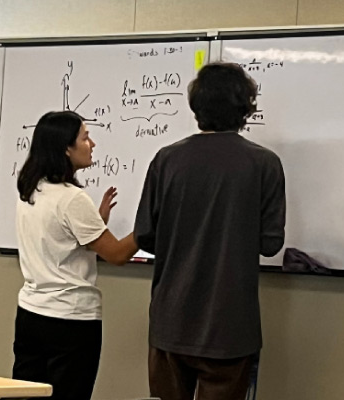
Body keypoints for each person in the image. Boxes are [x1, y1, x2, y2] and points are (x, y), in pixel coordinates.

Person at [134, 62, 286, 400]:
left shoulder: (166, 160)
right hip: (230, 326)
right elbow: (270, 243)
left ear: (196, 107)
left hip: (170, 320)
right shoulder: (265, 164)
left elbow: (145, 236)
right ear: (246, 108)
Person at [13, 110, 138, 400]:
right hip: (70, 323)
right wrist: (151, 224)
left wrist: (97, 221)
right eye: (85, 137)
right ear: (65, 148)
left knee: (27, 395)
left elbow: (61, 242)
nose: (91, 144)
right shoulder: (72, 198)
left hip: (32, 315)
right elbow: (117, 255)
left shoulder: (32, 190)